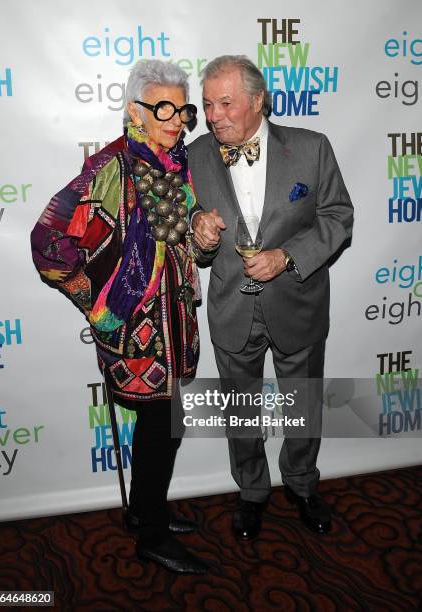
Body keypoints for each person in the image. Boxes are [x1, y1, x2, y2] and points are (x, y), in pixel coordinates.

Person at [31, 59, 209, 574]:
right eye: (165, 108)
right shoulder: (112, 169)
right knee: (159, 424)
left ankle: (143, 510)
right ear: (135, 110)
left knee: (163, 424)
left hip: (175, 326)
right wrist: (95, 304)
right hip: (133, 331)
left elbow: (177, 236)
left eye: (183, 109)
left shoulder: (171, 164)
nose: (178, 120)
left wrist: (200, 231)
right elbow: (48, 240)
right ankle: (151, 535)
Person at [189, 55, 354, 540]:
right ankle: (252, 491)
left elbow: (338, 215)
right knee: (240, 407)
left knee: (302, 402)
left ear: (258, 101)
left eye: (225, 103)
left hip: (297, 300)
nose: (213, 114)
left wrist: (287, 256)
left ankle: (302, 484)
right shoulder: (195, 155)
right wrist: (199, 233)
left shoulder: (310, 148)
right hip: (231, 306)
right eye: (207, 105)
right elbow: (192, 225)